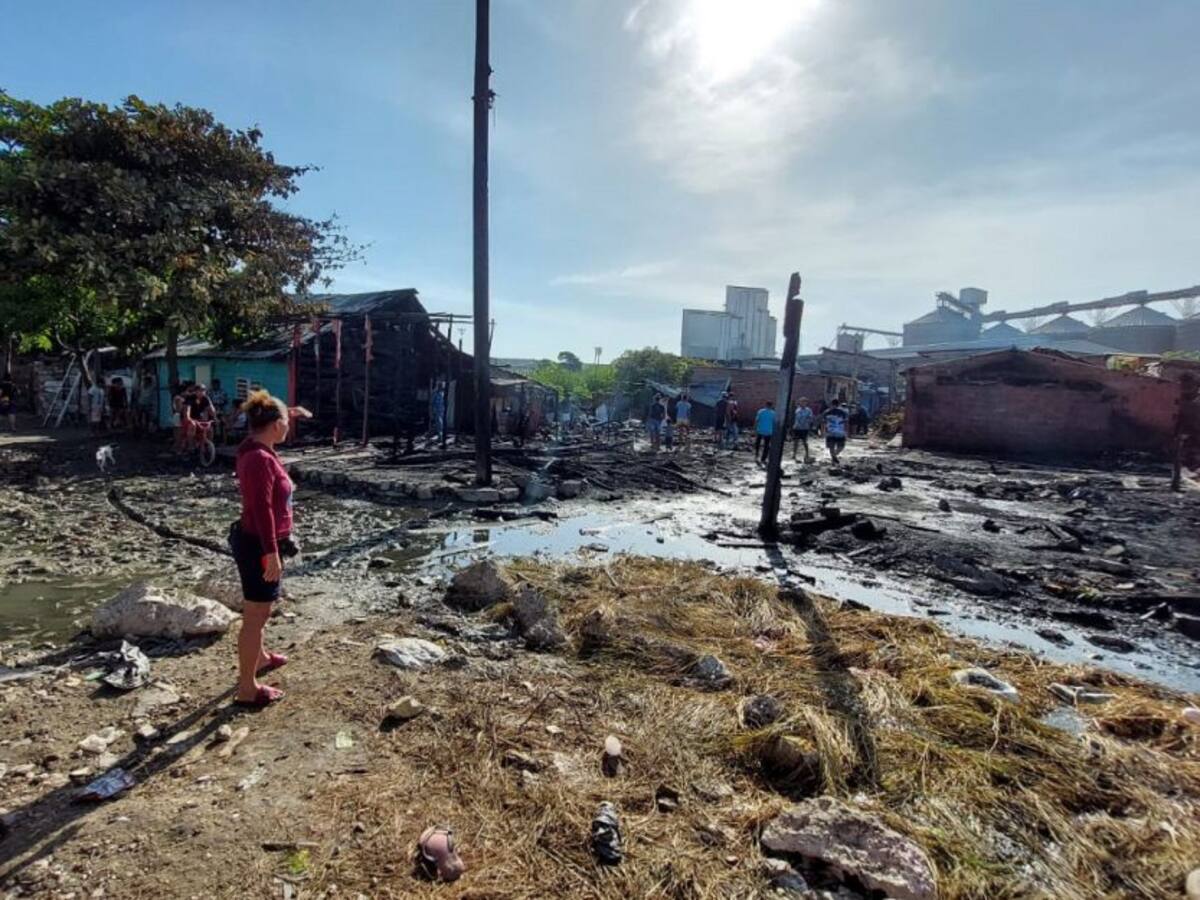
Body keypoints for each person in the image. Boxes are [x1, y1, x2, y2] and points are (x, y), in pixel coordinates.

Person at [228, 390, 311, 707]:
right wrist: (271, 553)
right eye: (286, 422)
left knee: (261, 612)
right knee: (255, 615)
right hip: (257, 545)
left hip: (258, 541)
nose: (290, 426)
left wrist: (288, 410)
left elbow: (262, 422)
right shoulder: (259, 459)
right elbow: (261, 509)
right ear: (275, 425)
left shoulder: (255, 445)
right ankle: (247, 689)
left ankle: (260, 657)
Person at [824, 398, 849, 465]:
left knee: (831, 447)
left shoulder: (827, 412)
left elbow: (824, 422)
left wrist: (824, 431)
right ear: (838, 404)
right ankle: (834, 456)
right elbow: (846, 423)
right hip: (840, 432)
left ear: (831, 404)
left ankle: (833, 457)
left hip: (830, 432)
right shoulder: (843, 412)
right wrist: (846, 432)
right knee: (841, 446)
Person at [753, 401, 776, 465]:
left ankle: (756, 455)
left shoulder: (760, 411)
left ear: (765, 405)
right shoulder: (773, 413)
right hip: (769, 431)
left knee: (758, 443)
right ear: (771, 406)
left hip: (760, 430)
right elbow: (774, 423)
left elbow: (756, 420)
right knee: (766, 445)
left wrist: (754, 429)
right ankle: (763, 459)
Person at [792, 397, 814, 462]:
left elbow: (810, 419)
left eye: (804, 402)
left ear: (806, 403)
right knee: (796, 442)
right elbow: (795, 418)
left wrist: (808, 423)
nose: (803, 403)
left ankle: (807, 454)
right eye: (801, 402)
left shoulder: (808, 410)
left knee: (805, 442)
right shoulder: (797, 410)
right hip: (797, 428)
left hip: (804, 428)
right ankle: (794, 454)